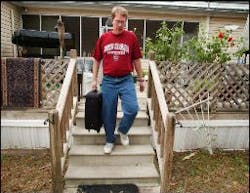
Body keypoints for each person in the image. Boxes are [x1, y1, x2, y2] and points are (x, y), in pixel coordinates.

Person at [92, 6, 145, 154]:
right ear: (112, 20)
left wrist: (141, 79)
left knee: (133, 108)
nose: (120, 24)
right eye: (117, 21)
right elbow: (96, 60)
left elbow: (136, 59)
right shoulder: (104, 38)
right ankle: (109, 140)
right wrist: (94, 79)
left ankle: (122, 130)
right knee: (108, 113)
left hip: (126, 79)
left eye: (123, 21)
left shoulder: (131, 37)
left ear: (126, 21)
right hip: (108, 81)